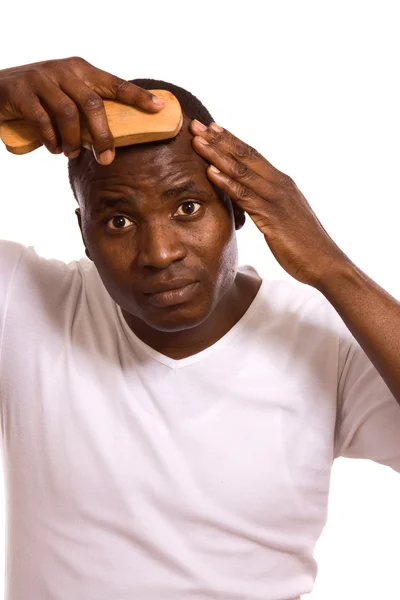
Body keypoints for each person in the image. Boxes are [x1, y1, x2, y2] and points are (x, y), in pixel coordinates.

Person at [0, 57, 399, 600]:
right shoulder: (22, 304)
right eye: (118, 220)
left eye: (187, 207)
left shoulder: (323, 339)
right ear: (85, 234)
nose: (160, 253)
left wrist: (334, 270)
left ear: (237, 208)